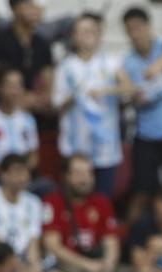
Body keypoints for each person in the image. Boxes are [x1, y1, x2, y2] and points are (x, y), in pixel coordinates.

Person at [52, 13, 131, 198]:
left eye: (92, 31)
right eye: (82, 31)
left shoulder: (110, 62)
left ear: (99, 34)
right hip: (74, 147)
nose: (88, 35)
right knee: (75, 200)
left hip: (105, 148)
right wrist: (74, 97)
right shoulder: (65, 67)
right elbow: (56, 105)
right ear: (73, 37)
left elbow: (130, 87)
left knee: (102, 200)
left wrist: (106, 90)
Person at [122, 6, 162, 214]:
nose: (135, 34)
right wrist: (135, 96)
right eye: (129, 30)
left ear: (148, 27)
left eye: (138, 28)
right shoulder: (128, 62)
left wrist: (154, 68)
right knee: (141, 191)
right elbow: (131, 95)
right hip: (145, 133)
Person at [42, 155, 120, 272]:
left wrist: (108, 264)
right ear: (66, 176)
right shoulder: (52, 202)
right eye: (78, 173)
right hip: (66, 264)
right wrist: (87, 265)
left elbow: (111, 241)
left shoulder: (102, 202)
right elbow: (52, 246)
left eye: (89, 173)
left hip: (96, 260)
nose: (85, 179)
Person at [0, 67, 39, 180]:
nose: (15, 91)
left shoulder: (28, 119)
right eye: (10, 86)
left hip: (23, 178)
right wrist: (7, 174)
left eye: (18, 86)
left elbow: (33, 156)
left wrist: (20, 173)